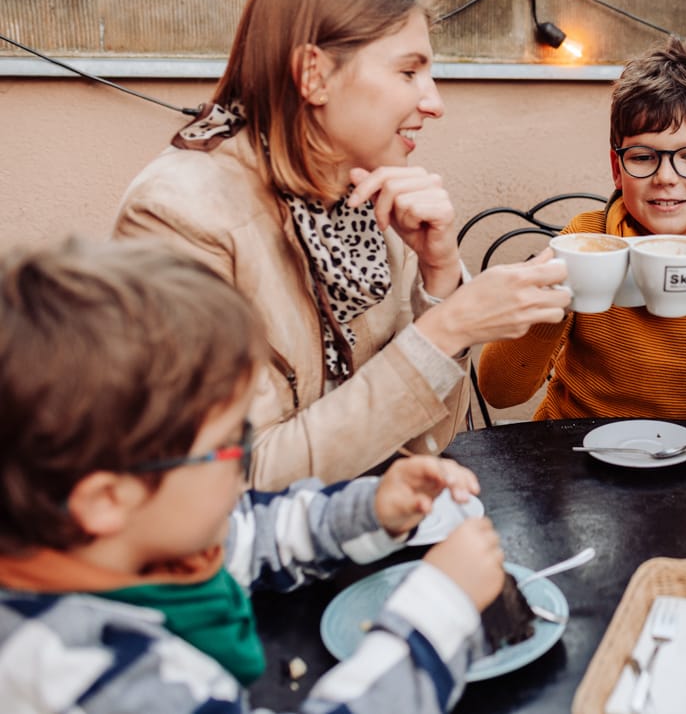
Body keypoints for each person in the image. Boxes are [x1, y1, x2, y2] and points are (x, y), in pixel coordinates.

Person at [114, 0, 570, 490]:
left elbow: (428, 442)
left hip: (371, 530)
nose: (434, 103)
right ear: (314, 74)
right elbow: (223, 481)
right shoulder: (176, 217)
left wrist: (440, 278)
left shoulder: (368, 200)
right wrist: (446, 328)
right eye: (409, 72)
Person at [0, 237, 508, 714]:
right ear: (107, 499)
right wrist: (439, 612)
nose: (246, 456)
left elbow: (248, 534)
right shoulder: (93, 677)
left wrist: (369, 510)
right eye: (228, 445)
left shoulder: (116, 545)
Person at [476, 37, 686, 438]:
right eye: (642, 156)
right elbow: (499, 392)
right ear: (617, 168)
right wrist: (550, 289)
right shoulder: (586, 239)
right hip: (571, 458)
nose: (666, 178)